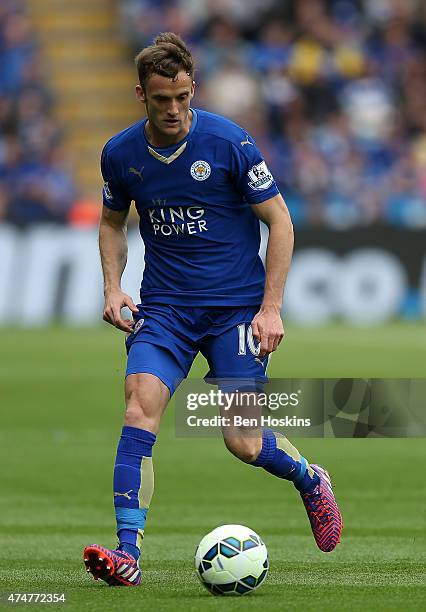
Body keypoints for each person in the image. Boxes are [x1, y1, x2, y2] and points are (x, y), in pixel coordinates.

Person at [83, 32, 342, 587]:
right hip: (167, 311)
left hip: (235, 313)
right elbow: (110, 221)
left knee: (242, 441)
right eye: (160, 100)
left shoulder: (231, 144)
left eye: (181, 97)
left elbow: (280, 221)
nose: (173, 110)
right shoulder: (121, 154)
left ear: (192, 89)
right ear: (140, 95)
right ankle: (128, 555)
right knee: (138, 410)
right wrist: (113, 287)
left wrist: (271, 309)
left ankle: (309, 479)